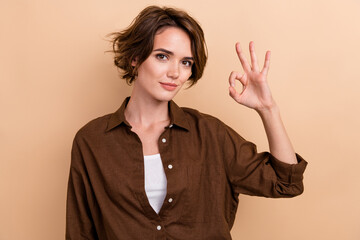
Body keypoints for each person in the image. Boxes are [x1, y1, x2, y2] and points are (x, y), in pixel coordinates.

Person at [66, 5, 307, 240]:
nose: (175, 73)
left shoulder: (210, 133)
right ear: (135, 58)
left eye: (186, 62)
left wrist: (268, 109)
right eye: (162, 56)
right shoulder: (92, 141)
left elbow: (285, 183)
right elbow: (80, 232)